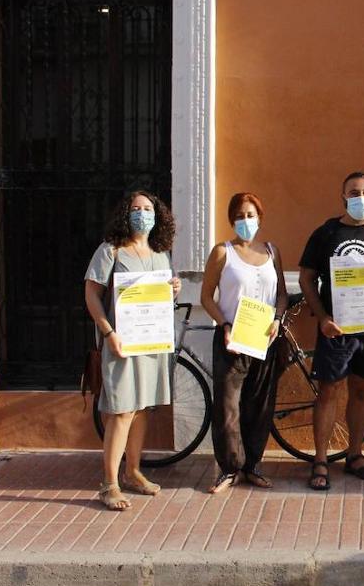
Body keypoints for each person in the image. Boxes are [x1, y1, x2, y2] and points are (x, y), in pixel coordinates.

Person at [298, 172, 364, 490]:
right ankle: (320, 459)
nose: (361, 197)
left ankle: (355, 455)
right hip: (336, 327)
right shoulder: (326, 232)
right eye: (355, 192)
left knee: (361, 391)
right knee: (329, 392)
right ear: (343, 196)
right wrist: (321, 317)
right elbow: (306, 278)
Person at [83, 191, 182, 510]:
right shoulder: (110, 250)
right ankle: (109, 484)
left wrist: (173, 289)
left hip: (150, 341)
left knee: (142, 409)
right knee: (122, 411)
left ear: (159, 215)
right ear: (125, 214)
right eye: (136, 209)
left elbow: (161, 297)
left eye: (148, 209)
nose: (142, 214)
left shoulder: (160, 252)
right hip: (122, 343)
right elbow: (91, 294)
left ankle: (134, 470)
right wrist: (108, 332)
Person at [200, 192, 288, 494]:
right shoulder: (222, 252)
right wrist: (224, 324)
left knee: (260, 405)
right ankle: (229, 468)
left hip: (265, 339)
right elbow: (206, 296)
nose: (245, 221)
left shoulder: (273, 252)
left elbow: (282, 294)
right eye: (239, 216)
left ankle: (253, 466)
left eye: (251, 215)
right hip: (231, 340)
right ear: (231, 220)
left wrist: (277, 318)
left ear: (260, 218)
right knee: (227, 407)